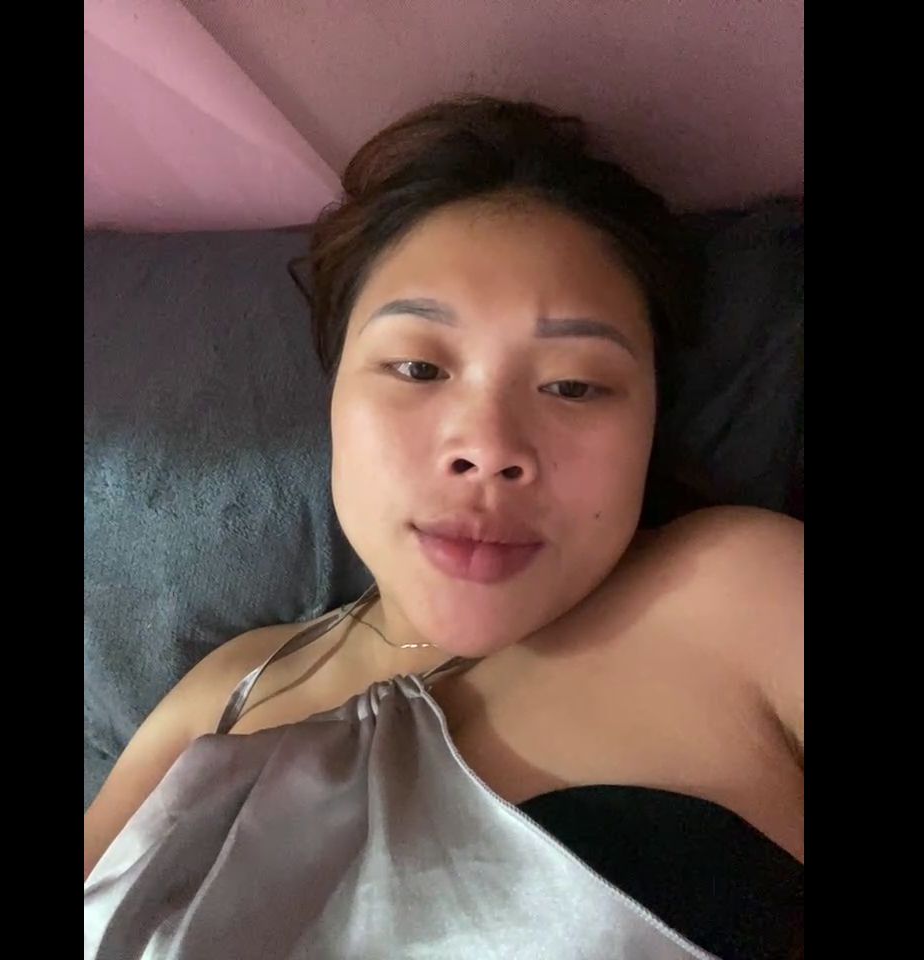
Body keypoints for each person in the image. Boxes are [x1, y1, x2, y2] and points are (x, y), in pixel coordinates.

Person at [84, 96, 803, 959]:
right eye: (419, 368)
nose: (489, 448)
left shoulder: (745, 596)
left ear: (652, 419)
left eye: (574, 385)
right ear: (334, 395)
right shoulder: (231, 685)